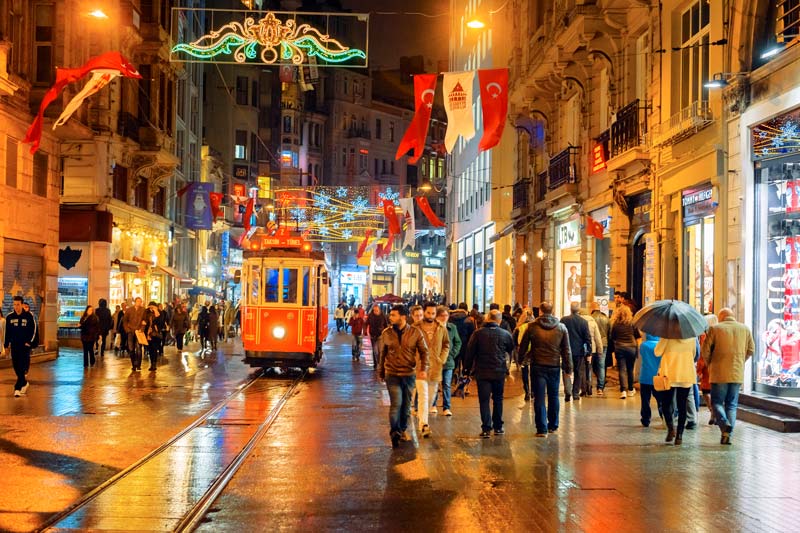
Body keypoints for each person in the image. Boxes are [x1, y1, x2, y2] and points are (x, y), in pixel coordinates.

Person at [701, 308, 755, 445]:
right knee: (732, 405)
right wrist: (740, 361)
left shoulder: (715, 329)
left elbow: (705, 350)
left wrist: (710, 364)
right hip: (736, 373)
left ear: (721, 317)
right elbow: (751, 350)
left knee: (717, 403)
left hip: (718, 373)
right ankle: (727, 434)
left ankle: (724, 425)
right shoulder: (745, 329)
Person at [378, 304, 429, 448]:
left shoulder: (415, 332)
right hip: (392, 374)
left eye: (393, 315)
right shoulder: (386, 333)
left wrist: (423, 368)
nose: (390, 317)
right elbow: (383, 354)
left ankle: (402, 429)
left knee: (406, 406)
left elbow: (424, 351)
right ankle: (394, 432)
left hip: (409, 374)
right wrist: (381, 371)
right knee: (396, 403)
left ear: (403, 317)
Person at [518, 302, 572, 437]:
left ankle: (541, 428)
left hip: (537, 366)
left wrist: (520, 361)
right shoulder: (561, 328)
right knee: (554, 396)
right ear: (552, 311)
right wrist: (568, 368)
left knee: (539, 397)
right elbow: (566, 350)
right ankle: (553, 425)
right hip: (554, 366)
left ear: (540, 311)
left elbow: (523, 346)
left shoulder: (532, 327)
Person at [463, 309, 515, 438]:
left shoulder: (478, 333)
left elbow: (470, 353)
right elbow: (511, 348)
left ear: (487, 319)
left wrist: (466, 371)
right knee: (498, 399)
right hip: (499, 371)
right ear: (499, 320)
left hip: (483, 371)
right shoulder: (505, 334)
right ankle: (498, 427)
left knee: (484, 400)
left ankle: (486, 428)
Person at [654, 337, 698, 445]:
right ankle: (679, 436)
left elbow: (657, 352)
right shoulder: (691, 338)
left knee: (666, 404)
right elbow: (693, 354)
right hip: (686, 374)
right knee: (682, 406)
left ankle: (670, 429)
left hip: (669, 375)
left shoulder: (667, 337)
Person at [414, 302, 449, 436]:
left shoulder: (441, 328)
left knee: (431, 396)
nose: (431, 316)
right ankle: (424, 424)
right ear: (424, 312)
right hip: (420, 367)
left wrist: (442, 359)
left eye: (433, 313)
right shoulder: (415, 328)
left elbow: (446, 344)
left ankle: (423, 418)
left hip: (435, 367)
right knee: (423, 395)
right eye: (428, 313)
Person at [4, 296, 38, 396]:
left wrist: (29, 342)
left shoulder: (29, 316)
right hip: (14, 346)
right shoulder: (9, 317)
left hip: (25, 346)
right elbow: (7, 333)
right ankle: (24, 382)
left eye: (18, 304)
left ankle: (17, 388)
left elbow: (34, 330)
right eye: (14, 304)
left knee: (22, 366)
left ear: (22, 304)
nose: (16, 307)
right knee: (16, 366)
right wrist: (6, 345)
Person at [432, 305, 461, 416]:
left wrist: (452, 354)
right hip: (435, 361)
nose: (444, 318)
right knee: (434, 384)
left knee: (447, 384)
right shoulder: (433, 327)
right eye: (442, 315)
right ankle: (433, 404)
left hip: (448, 361)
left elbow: (457, 342)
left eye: (446, 315)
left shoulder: (452, 327)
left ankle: (446, 407)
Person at [561, 302, 592, 402]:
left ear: (570, 309)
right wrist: (589, 352)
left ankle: (567, 392)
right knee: (578, 372)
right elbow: (587, 338)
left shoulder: (564, 320)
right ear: (578, 310)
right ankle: (575, 394)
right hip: (579, 351)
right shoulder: (583, 322)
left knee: (566, 371)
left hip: (566, 351)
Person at [608, 305, 640, 399]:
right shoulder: (632, 323)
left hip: (620, 348)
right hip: (631, 348)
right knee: (630, 369)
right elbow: (638, 336)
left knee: (622, 369)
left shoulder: (615, 324)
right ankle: (630, 389)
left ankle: (623, 391)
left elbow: (613, 337)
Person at [638, 333, 662, 427]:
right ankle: (663, 416)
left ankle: (646, 419)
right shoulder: (660, 345)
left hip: (645, 376)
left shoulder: (643, 345)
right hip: (658, 377)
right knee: (660, 400)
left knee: (645, 400)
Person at [580, 308, 604, 397]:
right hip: (592, 350)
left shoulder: (579, 322)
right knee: (589, 368)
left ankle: (583, 389)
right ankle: (589, 388)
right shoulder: (593, 323)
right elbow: (597, 338)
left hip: (581, 349)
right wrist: (600, 350)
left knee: (582, 369)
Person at [513, 308, 535, 400]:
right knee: (533, 373)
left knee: (525, 373)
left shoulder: (519, 328)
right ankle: (533, 391)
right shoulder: (535, 327)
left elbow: (514, 341)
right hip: (534, 352)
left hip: (523, 352)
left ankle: (527, 392)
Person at [449, 303, 475, 377]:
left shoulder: (450, 318)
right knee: (465, 362)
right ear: (466, 310)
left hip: (453, 344)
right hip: (465, 344)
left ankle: (450, 377)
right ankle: (463, 378)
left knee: (453, 361)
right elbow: (472, 334)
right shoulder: (468, 320)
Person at [589, 302, 610, 395]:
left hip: (593, 344)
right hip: (604, 343)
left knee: (591, 365)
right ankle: (600, 388)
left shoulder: (590, 318)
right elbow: (610, 332)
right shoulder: (606, 318)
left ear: (592, 308)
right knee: (601, 365)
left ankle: (589, 386)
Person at [122, 297, 146, 371]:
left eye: (140, 301)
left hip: (139, 331)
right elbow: (125, 321)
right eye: (137, 301)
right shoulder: (129, 310)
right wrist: (127, 330)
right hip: (130, 331)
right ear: (135, 302)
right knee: (131, 349)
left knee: (139, 349)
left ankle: (138, 364)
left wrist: (142, 329)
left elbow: (145, 321)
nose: (139, 303)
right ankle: (133, 364)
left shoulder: (143, 310)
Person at [366, 304, 389, 369]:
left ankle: (380, 363)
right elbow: (366, 323)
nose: (375, 312)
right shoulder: (370, 316)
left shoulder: (383, 315)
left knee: (380, 350)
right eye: (374, 310)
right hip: (373, 335)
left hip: (381, 335)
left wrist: (386, 333)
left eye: (377, 310)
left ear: (379, 310)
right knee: (375, 350)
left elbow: (386, 325)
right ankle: (376, 364)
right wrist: (365, 331)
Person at [143, 301, 165, 371]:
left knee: (154, 349)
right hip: (148, 334)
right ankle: (152, 363)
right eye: (150, 307)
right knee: (150, 349)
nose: (152, 308)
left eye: (153, 307)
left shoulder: (160, 313)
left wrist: (156, 313)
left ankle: (154, 364)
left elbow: (161, 322)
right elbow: (145, 320)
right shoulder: (147, 312)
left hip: (156, 334)